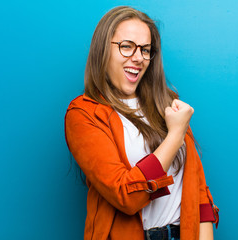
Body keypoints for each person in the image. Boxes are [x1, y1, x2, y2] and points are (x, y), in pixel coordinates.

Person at [64, 6, 219, 240]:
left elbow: (197, 189)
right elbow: (126, 197)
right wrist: (174, 137)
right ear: (102, 50)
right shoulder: (83, 114)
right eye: (126, 46)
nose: (138, 58)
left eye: (145, 50)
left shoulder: (168, 104)